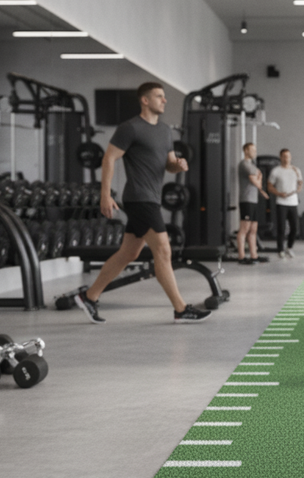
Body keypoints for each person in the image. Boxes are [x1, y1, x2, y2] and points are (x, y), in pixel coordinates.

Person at [74, 82, 211, 324]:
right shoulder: (130, 128)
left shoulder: (165, 130)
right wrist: (105, 195)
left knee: (128, 253)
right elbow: (109, 158)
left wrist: (177, 164)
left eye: (164, 97)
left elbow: (168, 163)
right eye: (159, 96)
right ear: (145, 100)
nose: (164, 100)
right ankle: (180, 309)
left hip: (151, 198)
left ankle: (89, 296)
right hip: (139, 197)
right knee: (163, 250)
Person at [236, 142, 270, 265]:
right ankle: (241, 257)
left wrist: (260, 184)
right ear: (246, 151)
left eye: (255, 150)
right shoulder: (244, 164)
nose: (255, 152)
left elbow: (258, 180)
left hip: (253, 200)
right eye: (252, 150)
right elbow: (256, 182)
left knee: (253, 230)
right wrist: (259, 178)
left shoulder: (252, 165)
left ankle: (254, 256)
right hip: (246, 200)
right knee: (244, 229)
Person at [268, 148, 303, 259]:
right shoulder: (276, 171)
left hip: (293, 202)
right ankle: (280, 250)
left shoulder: (296, 170)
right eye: (284, 156)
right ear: (280, 157)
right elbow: (269, 186)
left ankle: (289, 247)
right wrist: (278, 193)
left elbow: (300, 182)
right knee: (281, 228)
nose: (286, 158)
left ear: (290, 157)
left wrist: (299, 188)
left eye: (288, 156)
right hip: (281, 202)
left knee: (294, 227)